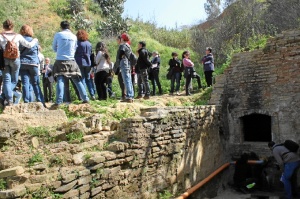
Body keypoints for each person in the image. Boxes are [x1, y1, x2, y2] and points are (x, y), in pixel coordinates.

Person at [0, 19, 38, 106]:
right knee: (14, 80)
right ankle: (4, 97)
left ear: (3, 27)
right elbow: (29, 45)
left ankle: (8, 99)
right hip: (16, 60)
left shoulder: (1, 36)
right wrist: (35, 40)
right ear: (12, 26)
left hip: (4, 60)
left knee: (6, 80)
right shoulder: (18, 36)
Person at [52, 21, 89, 106]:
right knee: (77, 80)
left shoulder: (58, 35)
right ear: (69, 27)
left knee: (60, 79)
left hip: (60, 60)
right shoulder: (74, 36)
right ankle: (85, 98)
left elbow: (54, 47)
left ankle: (59, 101)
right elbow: (75, 48)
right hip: (71, 60)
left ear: (61, 27)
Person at [19, 25, 45, 106]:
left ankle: (26, 101)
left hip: (22, 63)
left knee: (25, 83)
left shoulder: (20, 40)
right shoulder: (35, 41)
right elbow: (37, 52)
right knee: (35, 83)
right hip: (33, 63)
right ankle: (41, 101)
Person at [75, 30, 95, 100]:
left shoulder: (77, 43)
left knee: (82, 79)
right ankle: (92, 94)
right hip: (88, 63)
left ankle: (84, 96)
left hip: (80, 62)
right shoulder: (89, 43)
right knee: (88, 79)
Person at [114, 33, 134, 103]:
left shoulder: (123, 45)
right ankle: (131, 95)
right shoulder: (128, 46)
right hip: (128, 64)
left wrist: (119, 58)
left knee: (126, 80)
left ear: (122, 38)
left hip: (124, 63)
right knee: (129, 80)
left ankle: (129, 96)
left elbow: (120, 53)